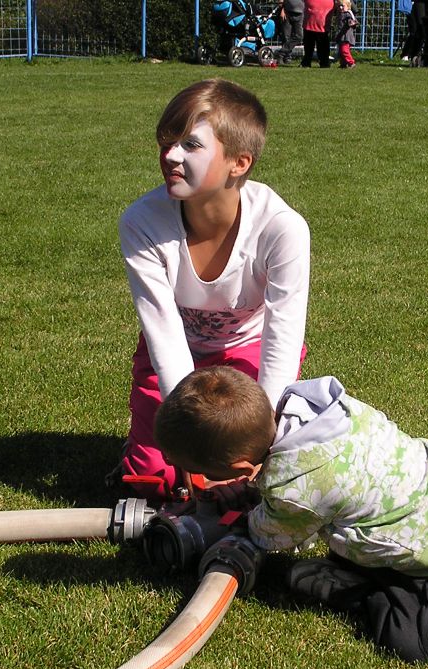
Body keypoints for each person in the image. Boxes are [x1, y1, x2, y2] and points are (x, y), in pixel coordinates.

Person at [154, 367, 428, 664]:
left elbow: (267, 534)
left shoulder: (296, 490)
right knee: (354, 527)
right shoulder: (314, 409)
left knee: (413, 639)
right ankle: (366, 573)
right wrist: (253, 488)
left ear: (240, 468)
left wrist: (238, 524)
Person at [116, 79, 311, 504]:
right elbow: (163, 332)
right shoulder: (141, 222)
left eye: (190, 145)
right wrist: (187, 435)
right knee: (156, 482)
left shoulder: (282, 228)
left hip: (249, 352)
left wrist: (261, 437)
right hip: (178, 352)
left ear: (239, 163)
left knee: (242, 472)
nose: (170, 156)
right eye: (167, 142)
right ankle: (143, 449)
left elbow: (283, 335)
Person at [300, 0, 334, 67]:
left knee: (323, 47)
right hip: (310, 24)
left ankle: (324, 62)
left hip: (323, 26)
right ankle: (307, 62)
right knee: (308, 47)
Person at [276, 0, 303, 65]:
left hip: (300, 13)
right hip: (287, 12)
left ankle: (281, 53)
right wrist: (282, 10)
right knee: (286, 36)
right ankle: (286, 58)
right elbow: (280, 1)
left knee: (299, 36)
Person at [334, 0, 357, 68]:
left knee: (344, 50)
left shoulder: (348, 14)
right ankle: (343, 64)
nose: (340, 7)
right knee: (341, 51)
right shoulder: (340, 14)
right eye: (339, 6)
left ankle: (351, 63)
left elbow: (353, 22)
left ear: (348, 6)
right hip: (341, 36)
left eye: (343, 6)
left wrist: (351, 23)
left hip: (346, 36)